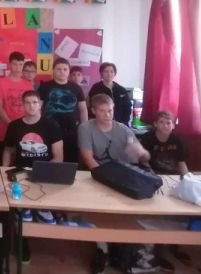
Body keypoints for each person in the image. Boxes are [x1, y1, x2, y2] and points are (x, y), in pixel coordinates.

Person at [78, 94, 159, 274]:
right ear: (93, 111)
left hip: (123, 177)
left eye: (110, 110)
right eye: (103, 111)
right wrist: (105, 179)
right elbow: (88, 158)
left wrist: (141, 154)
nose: (108, 115)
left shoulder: (123, 129)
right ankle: (102, 248)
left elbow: (141, 154)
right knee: (98, 211)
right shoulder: (85, 128)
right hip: (99, 175)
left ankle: (129, 248)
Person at [3, 90, 64, 262]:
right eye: (28, 102)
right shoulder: (14, 126)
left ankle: (41, 211)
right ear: (22, 105)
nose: (31, 106)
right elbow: (8, 150)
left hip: (45, 174)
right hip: (20, 175)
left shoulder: (51, 125)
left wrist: (42, 174)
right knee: (24, 217)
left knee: (46, 221)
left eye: (35, 102)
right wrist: (4, 170)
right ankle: (22, 242)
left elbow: (58, 156)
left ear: (40, 104)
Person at [38, 57, 88, 163]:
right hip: (49, 129)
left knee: (70, 161)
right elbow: (38, 108)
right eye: (59, 69)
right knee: (50, 160)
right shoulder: (44, 87)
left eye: (65, 69)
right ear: (53, 70)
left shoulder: (76, 88)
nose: (62, 72)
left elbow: (83, 109)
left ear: (69, 71)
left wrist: (84, 128)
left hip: (71, 130)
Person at [0, 52, 34, 142]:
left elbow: (31, 108)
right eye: (15, 64)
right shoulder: (1, 83)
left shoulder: (28, 85)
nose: (18, 68)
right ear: (10, 64)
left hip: (24, 128)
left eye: (20, 64)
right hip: (6, 128)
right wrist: (11, 125)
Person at [140, 111, 188, 175]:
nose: (165, 126)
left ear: (173, 126)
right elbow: (144, 162)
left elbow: (181, 162)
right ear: (155, 124)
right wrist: (153, 176)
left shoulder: (178, 140)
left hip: (172, 174)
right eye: (161, 122)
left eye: (168, 123)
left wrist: (186, 178)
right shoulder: (147, 138)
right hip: (152, 173)